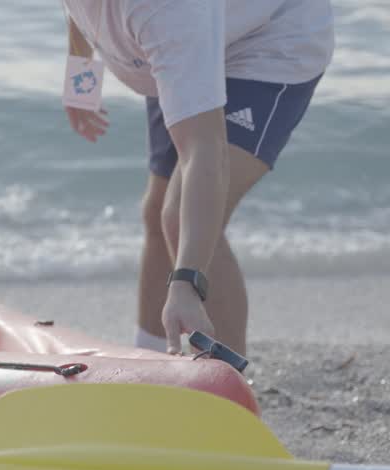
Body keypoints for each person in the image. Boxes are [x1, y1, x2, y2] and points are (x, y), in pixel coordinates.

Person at [60, 0, 334, 355]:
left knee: (180, 218)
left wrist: (186, 284)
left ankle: (229, 381)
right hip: (176, 47)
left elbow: (205, 151)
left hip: (265, 44)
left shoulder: (166, 11)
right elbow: (77, 12)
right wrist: (80, 82)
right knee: (157, 213)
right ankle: (150, 361)